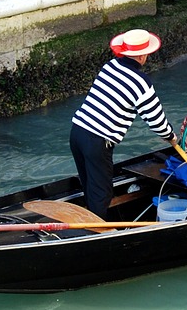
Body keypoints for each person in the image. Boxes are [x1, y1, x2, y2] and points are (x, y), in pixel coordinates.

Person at [70, 28, 177, 218]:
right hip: (97, 140)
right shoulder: (141, 82)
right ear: (143, 55)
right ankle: (95, 235)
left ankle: (91, 222)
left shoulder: (110, 66)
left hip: (77, 132)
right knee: (102, 193)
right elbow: (155, 120)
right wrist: (171, 136)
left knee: (90, 187)